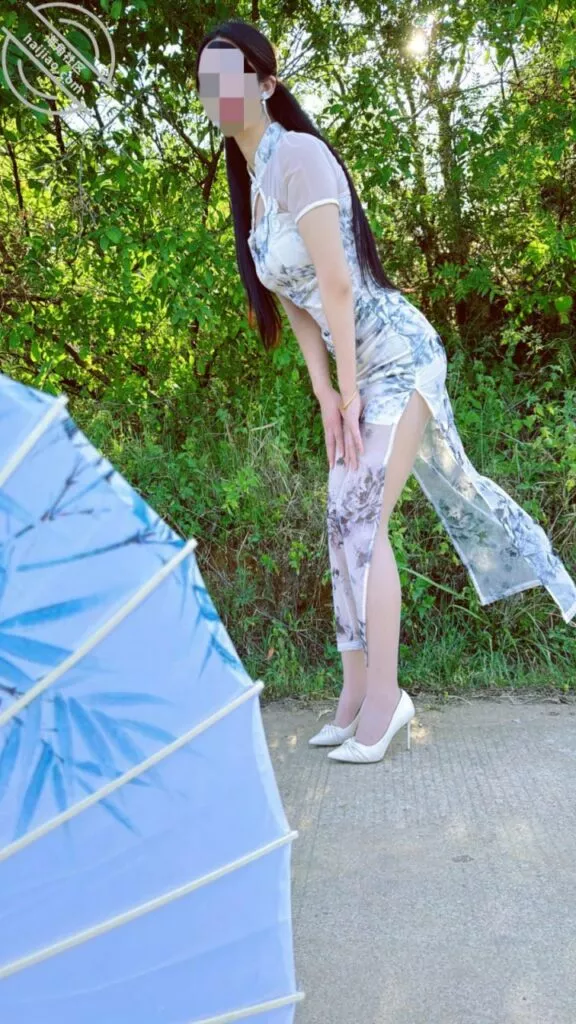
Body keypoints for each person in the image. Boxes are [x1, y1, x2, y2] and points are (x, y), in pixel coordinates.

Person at [194, 20, 576, 765]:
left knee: (363, 521)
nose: (218, 92)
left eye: (230, 74)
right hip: (354, 369)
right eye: (207, 81)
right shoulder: (256, 188)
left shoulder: (298, 156)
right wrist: (325, 395)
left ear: (265, 84)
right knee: (341, 520)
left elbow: (338, 283)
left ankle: (386, 698)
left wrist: (351, 389)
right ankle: (353, 694)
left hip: (397, 357)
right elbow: (297, 308)